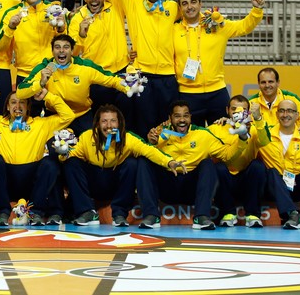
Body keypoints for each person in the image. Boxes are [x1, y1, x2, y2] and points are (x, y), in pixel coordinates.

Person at [0, 85, 75, 226]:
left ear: (28, 107)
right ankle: (2, 213)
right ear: (7, 107)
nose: (17, 106)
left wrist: (47, 95)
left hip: (32, 180)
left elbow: (68, 116)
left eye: (22, 102)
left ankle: (35, 212)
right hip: (6, 179)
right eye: (13, 102)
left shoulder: (40, 124)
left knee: (50, 164)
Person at [64, 105, 185, 226]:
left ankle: (119, 215)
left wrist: (169, 162)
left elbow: (149, 151)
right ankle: (87, 212)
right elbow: (70, 154)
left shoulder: (128, 138)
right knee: (72, 163)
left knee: (132, 163)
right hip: (94, 184)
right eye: (104, 121)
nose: (109, 125)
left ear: (119, 123)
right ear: (97, 124)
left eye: (113, 121)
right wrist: (62, 153)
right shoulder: (87, 137)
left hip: (116, 185)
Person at [138, 100, 249, 230]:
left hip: (192, 188)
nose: (182, 120)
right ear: (170, 118)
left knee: (208, 164)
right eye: (177, 116)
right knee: (144, 161)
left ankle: (201, 217)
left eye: (185, 115)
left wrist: (242, 138)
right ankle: (151, 216)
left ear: (190, 117)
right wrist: (151, 144)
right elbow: (146, 151)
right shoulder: (159, 133)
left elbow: (227, 154)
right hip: (166, 186)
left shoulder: (203, 134)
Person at [69, 0, 141, 117]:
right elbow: (72, 55)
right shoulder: (78, 18)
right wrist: (81, 36)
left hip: (121, 73)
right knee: (100, 124)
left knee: (126, 121)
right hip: (96, 79)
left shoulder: (115, 3)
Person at [174, 0, 265, 126]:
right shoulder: (173, 30)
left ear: (200, 4)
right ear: (180, 8)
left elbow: (243, 27)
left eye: (193, 2)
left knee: (223, 135)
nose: (190, 7)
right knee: (192, 139)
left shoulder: (217, 24)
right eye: (185, 3)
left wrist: (256, 10)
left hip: (217, 92)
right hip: (187, 94)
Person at [17, 34, 132, 135]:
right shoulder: (44, 68)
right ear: (52, 51)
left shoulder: (84, 66)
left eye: (66, 47)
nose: (61, 51)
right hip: (56, 116)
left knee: (90, 147)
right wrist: (41, 83)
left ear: (72, 51)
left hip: (82, 114)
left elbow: (111, 79)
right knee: (53, 150)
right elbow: (20, 92)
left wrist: (128, 87)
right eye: (57, 47)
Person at [120, 0, 179, 138]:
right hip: (142, 74)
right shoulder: (134, 4)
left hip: (168, 76)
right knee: (142, 121)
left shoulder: (173, 7)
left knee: (166, 123)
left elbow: (193, 19)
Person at [250, 99, 300, 230]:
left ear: (297, 115)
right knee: (271, 172)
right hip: (276, 186)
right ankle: (292, 214)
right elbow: (248, 129)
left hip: (297, 185)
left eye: (290, 111)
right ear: (276, 115)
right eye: (281, 111)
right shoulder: (266, 135)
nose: (285, 114)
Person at [0, 0, 66, 98]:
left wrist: (61, 28)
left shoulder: (54, 10)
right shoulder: (12, 13)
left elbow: (67, 42)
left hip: (53, 71)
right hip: (26, 75)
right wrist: (10, 27)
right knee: (28, 116)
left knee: (55, 114)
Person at [208, 96, 265, 227]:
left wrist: (258, 120)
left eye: (243, 109)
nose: (237, 112)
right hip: (225, 180)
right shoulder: (215, 128)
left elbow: (265, 142)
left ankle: (253, 215)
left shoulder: (256, 128)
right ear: (227, 110)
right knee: (218, 168)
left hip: (247, 180)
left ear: (248, 112)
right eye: (233, 109)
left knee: (258, 166)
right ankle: (228, 214)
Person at [248, 67, 300, 135]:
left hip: (290, 145)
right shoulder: (251, 103)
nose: (267, 85)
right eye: (263, 82)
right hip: (262, 146)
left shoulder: (291, 98)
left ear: (278, 82)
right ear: (258, 84)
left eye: (271, 82)